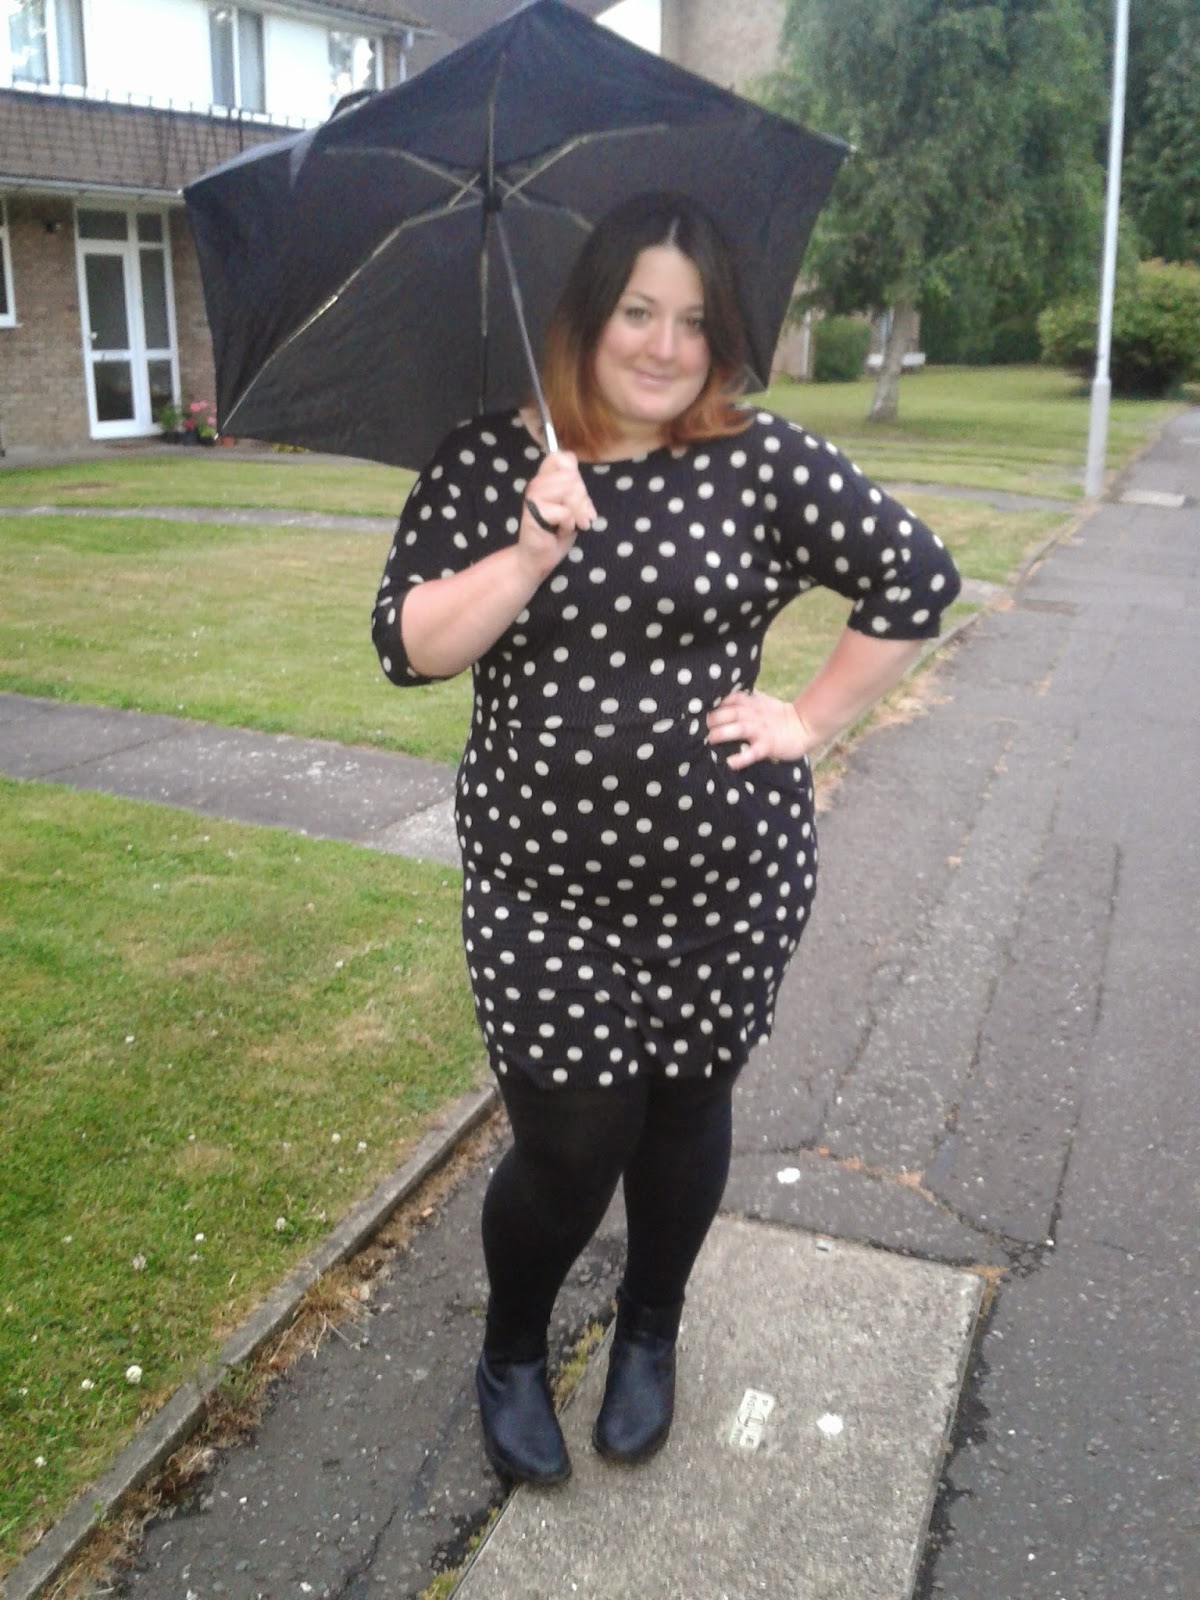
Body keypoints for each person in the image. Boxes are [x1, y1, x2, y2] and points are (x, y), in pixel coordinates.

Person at [372, 192, 961, 1487]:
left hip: (726, 882)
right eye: (639, 310)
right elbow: (409, 646)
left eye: (694, 320)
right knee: (573, 1137)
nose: (665, 344)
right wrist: (527, 554)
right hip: (541, 888)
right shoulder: (490, 462)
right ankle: (512, 1351)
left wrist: (808, 718)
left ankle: (650, 1326)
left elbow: (917, 576)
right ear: (588, 314)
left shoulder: (759, 460)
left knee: (689, 1108)